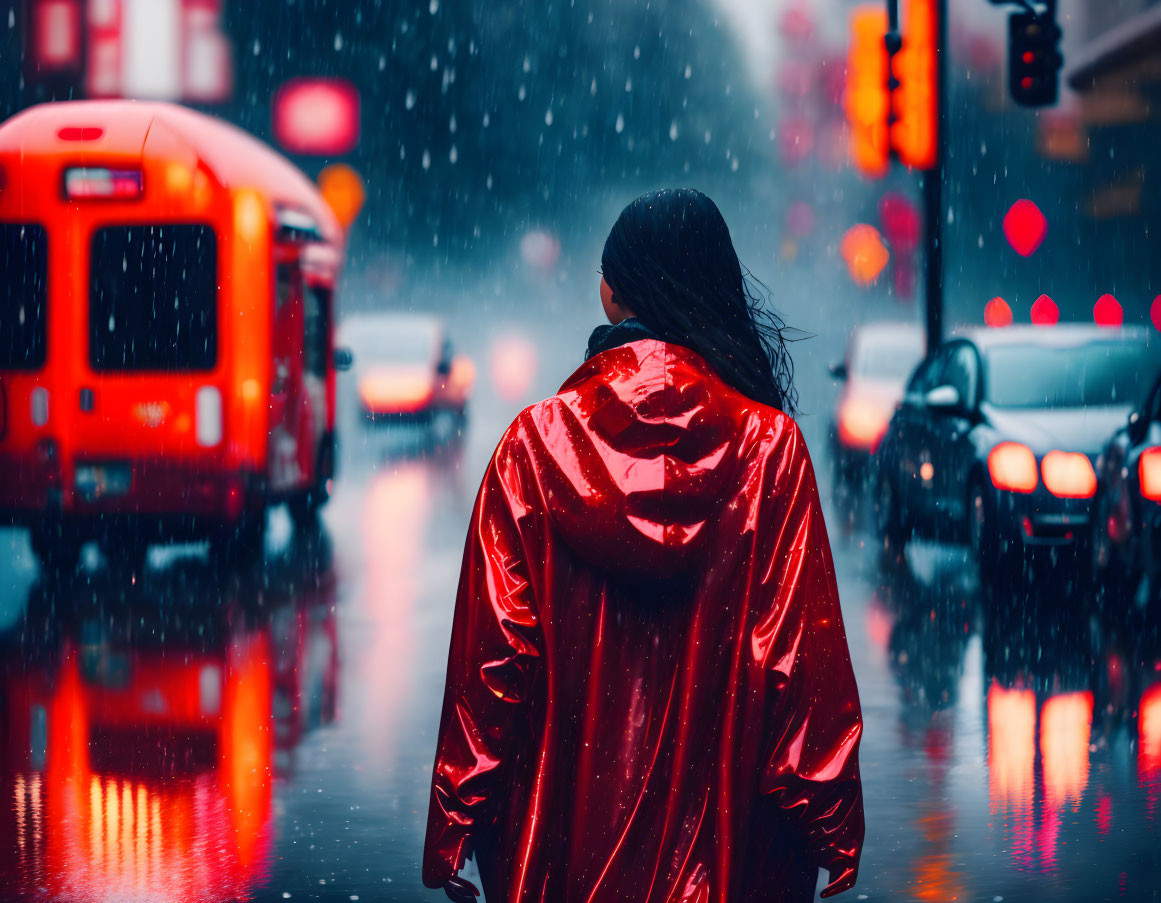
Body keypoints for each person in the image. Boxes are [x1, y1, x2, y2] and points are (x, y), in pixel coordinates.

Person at [423, 189, 864, 902]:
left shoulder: (531, 450)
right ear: (716, 291)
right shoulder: (769, 451)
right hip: (729, 863)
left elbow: (492, 660)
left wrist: (456, 819)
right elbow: (800, 667)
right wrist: (831, 827)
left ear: (608, 295)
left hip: (562, 859)